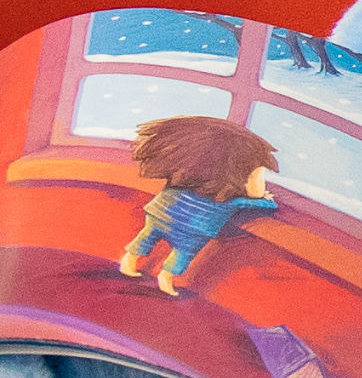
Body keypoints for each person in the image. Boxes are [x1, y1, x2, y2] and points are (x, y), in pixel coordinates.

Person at [117, 116, 281, 300]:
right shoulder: (231, 200)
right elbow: (257, 200)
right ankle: (165, 278)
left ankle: (128, 262)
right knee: (181, 255)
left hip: (159, 214)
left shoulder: (182, 179)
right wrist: (268, 200)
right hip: (193, 231)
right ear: (238, 175)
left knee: (146, 237)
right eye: (258, 175)